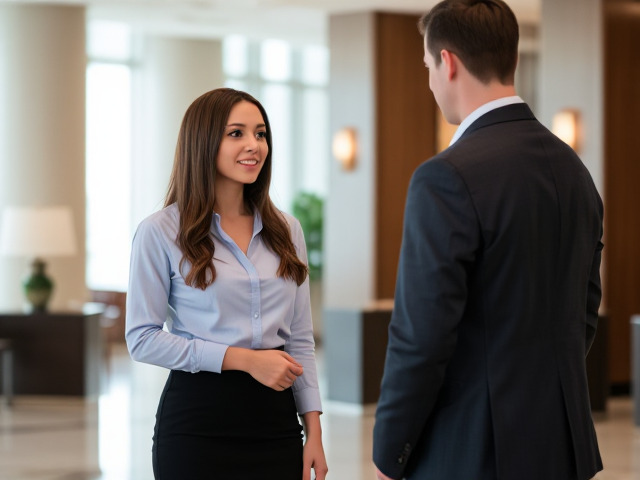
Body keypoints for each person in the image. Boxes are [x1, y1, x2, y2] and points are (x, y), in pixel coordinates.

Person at [373, 1, 604, 479]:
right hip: (564, 444)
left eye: (427, 66)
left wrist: (388, 454)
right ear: (512, 58)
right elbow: (584, 310)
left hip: (475, 448)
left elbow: (421, 338)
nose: (431, 81)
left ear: (449, 62)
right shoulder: (575, 170)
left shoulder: (445, 177)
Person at [125, 88, 328, 480]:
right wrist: (245, 359)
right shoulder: (159, 232)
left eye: (261, 133)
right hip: (196, 426)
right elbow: (142, 337)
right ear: (203, 142)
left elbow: (300, 338)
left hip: (277, 425)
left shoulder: (287, 230)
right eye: (237, 133)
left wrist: (314, 430)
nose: (254, 145)